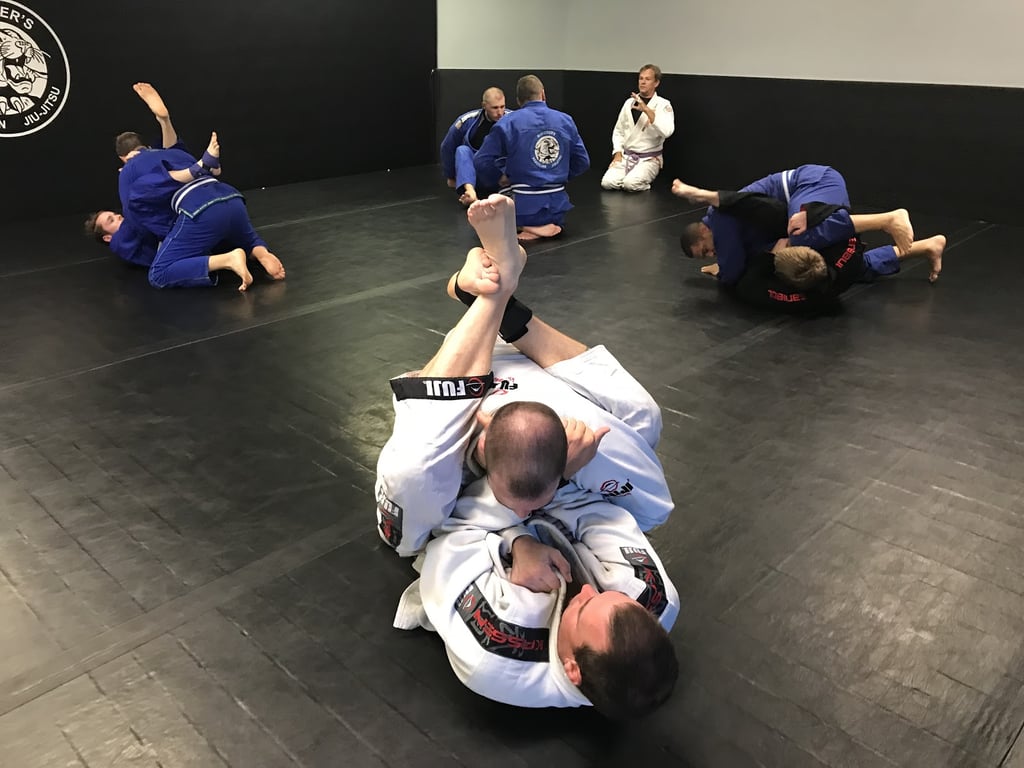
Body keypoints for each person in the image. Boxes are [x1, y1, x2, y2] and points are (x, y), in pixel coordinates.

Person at [387, 194, 679, 717]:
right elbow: (606, 515)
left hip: (464, 445)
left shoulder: (497, 651)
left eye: (583, 607)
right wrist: (559, 473)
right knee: (642, 420)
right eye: (604, 594)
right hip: (546, 448)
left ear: (571, 667)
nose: (585, 590)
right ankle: (506, 307)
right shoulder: (652, 603)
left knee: (412, 491)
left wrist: (517, 537)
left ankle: (488, 299)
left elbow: (447, 541)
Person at [375, 195, 673, 559]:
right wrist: (563, 477)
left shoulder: (598, 441)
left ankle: (490, 292)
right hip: (495, 367)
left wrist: (551, 485)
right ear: (484, 438)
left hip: (472, 363)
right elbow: (652, 510)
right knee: (643, 416)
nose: (522, 513)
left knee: (643, 417)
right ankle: (495, 291)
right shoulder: (596, 441)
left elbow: (655, 510)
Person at [85, 132, 286, 291]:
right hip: (231, 197)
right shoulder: (169, 154)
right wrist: (164, 120)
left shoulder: (132, 175)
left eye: (114, 215)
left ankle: (229, 260)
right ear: (107, 238)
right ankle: (260, 251)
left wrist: (128, 174)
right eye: (111, 220)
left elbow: (137, 211)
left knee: (158, 274)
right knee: (234, 236)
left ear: (123, 158)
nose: (118, 216)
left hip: (199, 209)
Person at [473, 75, 590, 242]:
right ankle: (544, 226)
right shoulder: (566, 120)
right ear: (543, 94)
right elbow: (583, 161)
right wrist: (560, 174)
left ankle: (525, 226)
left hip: (523, 209)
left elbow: (481, 161)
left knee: (490, 206)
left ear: (519, 101)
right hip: (558, 208)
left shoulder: (508, 123)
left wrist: (499, 177)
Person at [600, 64, 675, 193]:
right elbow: (618, 130)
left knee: (630, 184)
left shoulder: (663, 104)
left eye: (647, 79)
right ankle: (626, 178)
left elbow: (667, 132)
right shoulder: (629, 103)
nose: (643, 82)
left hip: (649, 159)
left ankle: (639, 183)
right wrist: (617, 153)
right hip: (626, 157)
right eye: (641, 78)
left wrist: (646, 110)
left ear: (656, 83)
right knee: (607, 183)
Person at [440, 87, 510, 206]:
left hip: (500, 177)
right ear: (484, 105)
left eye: (502, 107)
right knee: (462, 150)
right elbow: (447, 146)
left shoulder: (513, 120)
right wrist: (450, 175)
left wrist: (509, 175)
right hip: (475, 176)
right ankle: (470, 193)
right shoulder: (467, 120)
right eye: (495, 108)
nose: (500, 112)